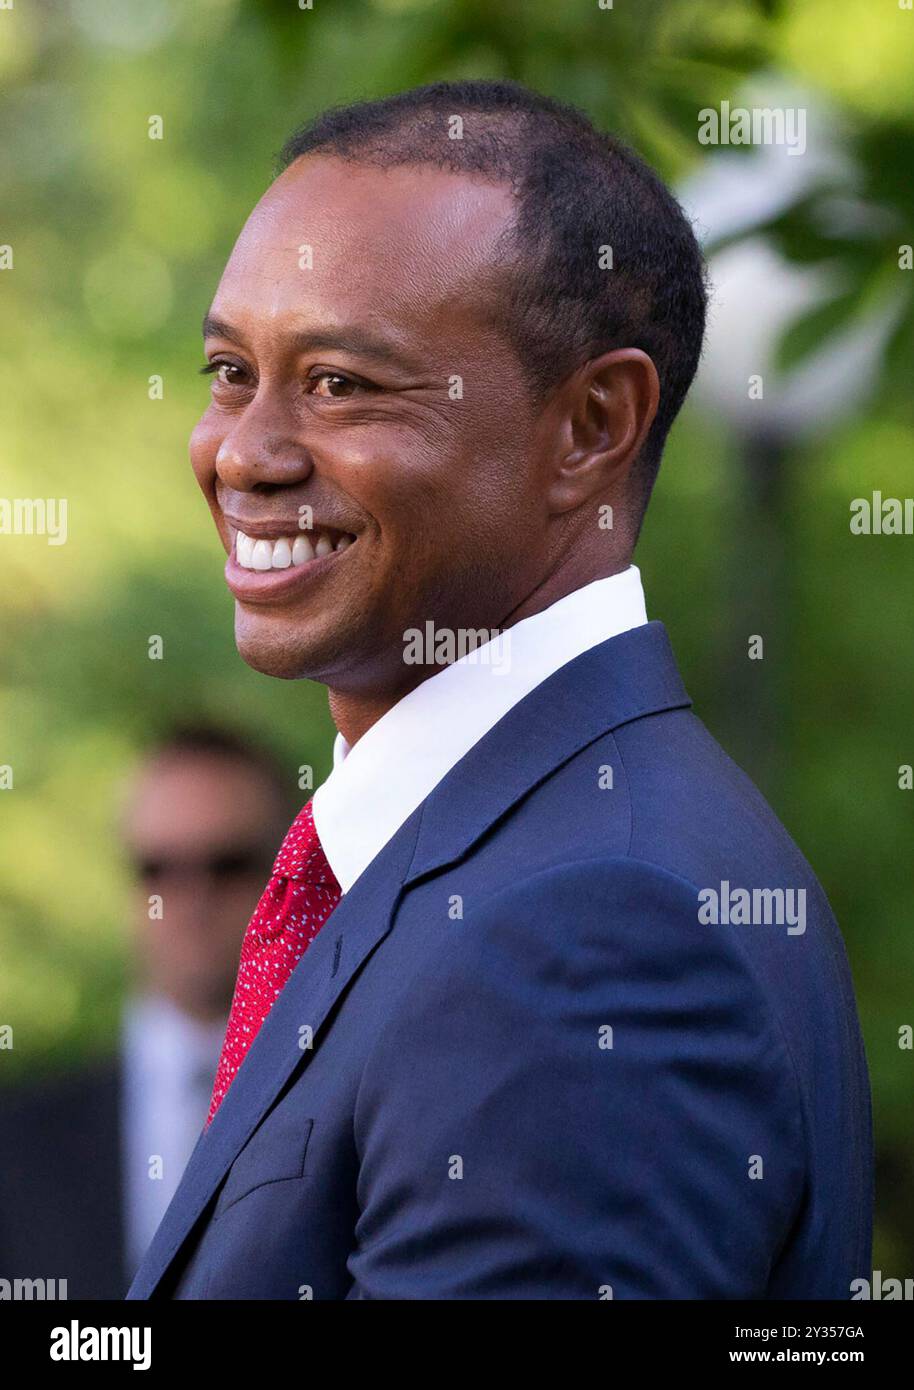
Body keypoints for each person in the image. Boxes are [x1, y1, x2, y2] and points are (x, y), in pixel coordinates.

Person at [128, 80, 872, 1301]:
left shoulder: (588, 931)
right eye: (228, 370)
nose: (244, 454)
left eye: (340, 383)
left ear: (588, 426)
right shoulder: (495, 857)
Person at [0, 726, 291, 1297]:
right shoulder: (15, 1145)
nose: (191, 899)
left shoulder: (359, 1113)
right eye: (157, 868)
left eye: (227, 865)